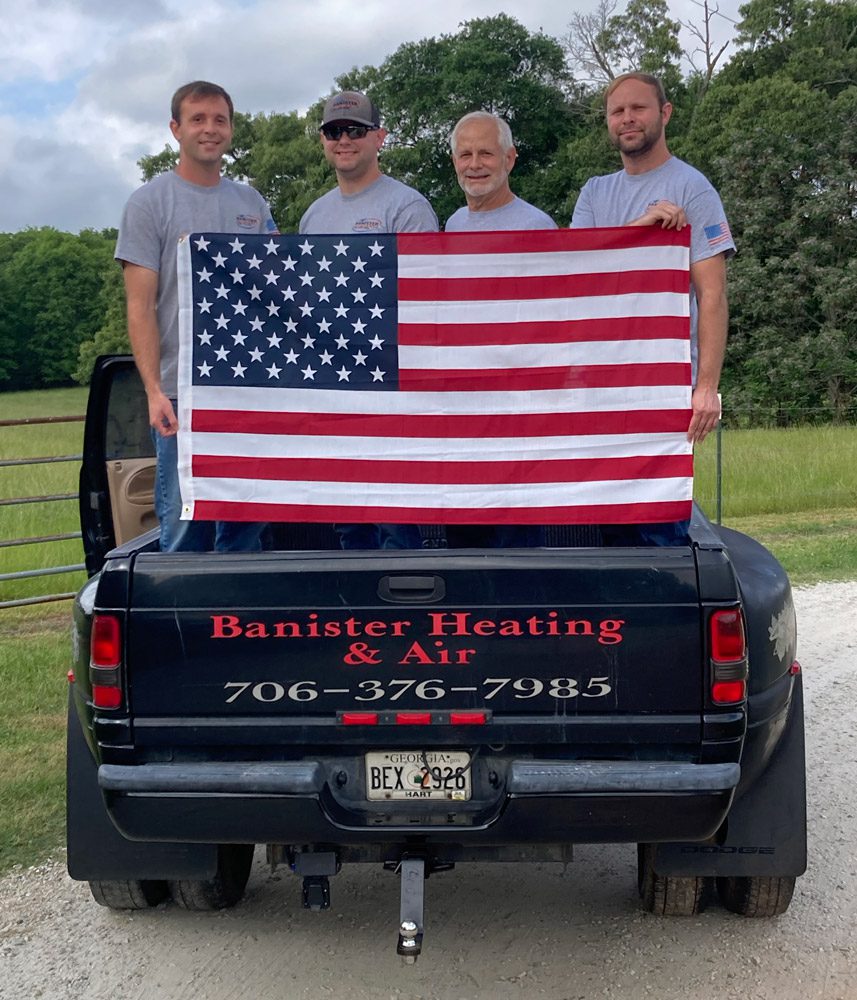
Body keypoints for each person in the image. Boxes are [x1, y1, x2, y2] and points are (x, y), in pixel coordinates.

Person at [571, 72, 736, 545]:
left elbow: (713, 295)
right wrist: (642, 228)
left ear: (664, 113)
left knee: (658, 522)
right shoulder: (595, 193)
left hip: (661, 383)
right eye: (617, 111)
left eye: (638, 108)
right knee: (599, 527)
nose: (627, 119)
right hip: (598, 384)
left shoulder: (693, 188)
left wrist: (706, 388)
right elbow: (581, 279)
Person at [115, 80, 278, 552]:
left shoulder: (252, 204)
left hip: (250, 389)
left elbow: (276, 294)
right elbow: (139, 306)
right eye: (198, 119)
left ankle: (238, 621)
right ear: (176, 129)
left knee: (245, 525)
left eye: (219, 119)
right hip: (181, 392)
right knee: (186, 526)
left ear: (230, 129)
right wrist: (153, 392)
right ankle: (184, 625)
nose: (210, 129)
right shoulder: (149, 203)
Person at [300, 90, 439, 550]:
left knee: (395, 516)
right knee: (348, 519)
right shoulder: (312, 217)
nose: (344, 140)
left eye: (355, 130)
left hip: (391, 384)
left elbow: (425, 300)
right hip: (334, 387)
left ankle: (405, 618)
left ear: (379, 137)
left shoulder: (408, 207)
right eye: (333, 131)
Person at [445, 111, 557, 547]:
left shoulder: (536, 227)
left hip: (517, 414)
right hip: (464, 413)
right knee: (466, 540)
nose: (475, 163)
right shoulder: (451, 225)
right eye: (465, 153)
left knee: (517, 543)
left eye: (486, 153)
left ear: (510, 159)